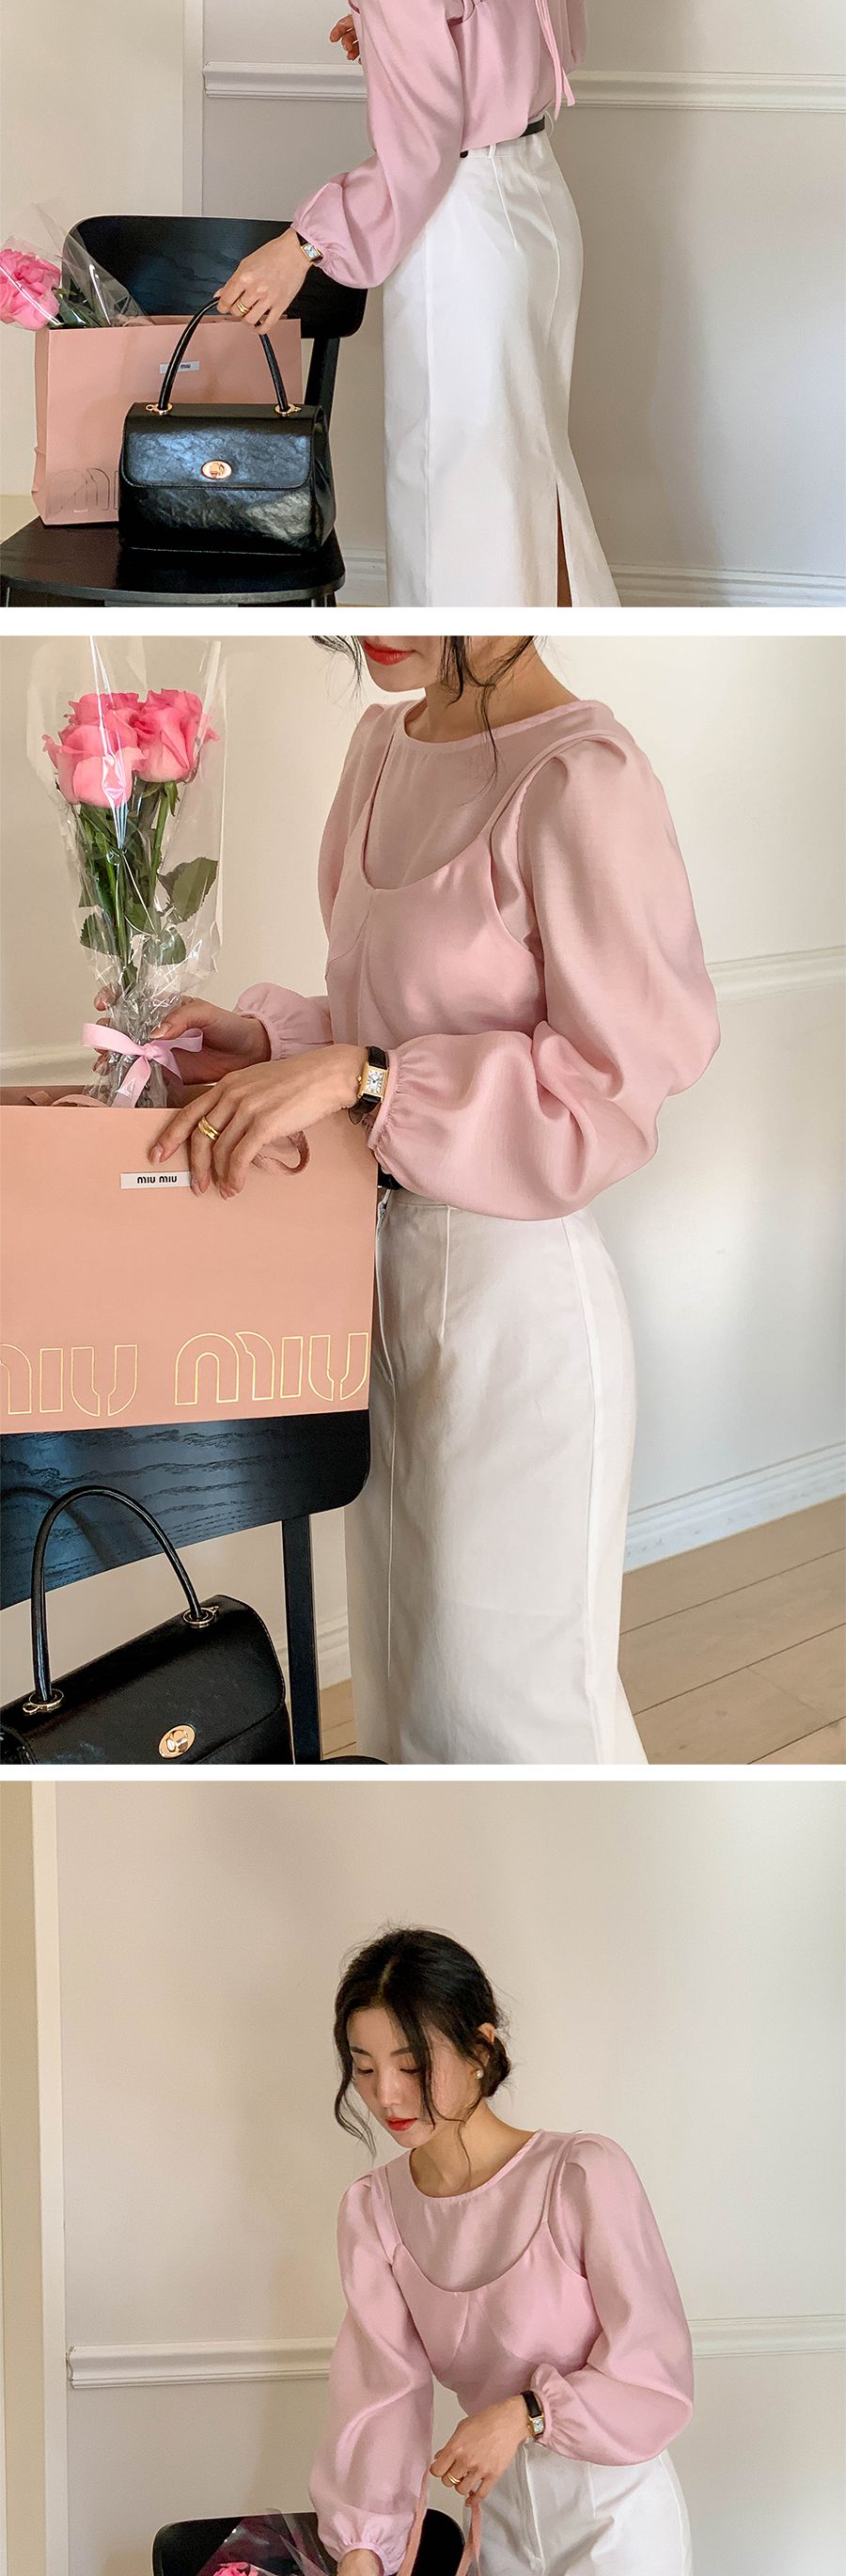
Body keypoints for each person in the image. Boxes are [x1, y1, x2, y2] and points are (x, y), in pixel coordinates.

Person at [150, 636, 719, 1769]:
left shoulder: (582, 777)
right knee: (412, 1699)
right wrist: (274, 1045)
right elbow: (396, 1024)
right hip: (376, 1285)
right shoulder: (381, 747)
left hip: (515, 1306)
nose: (377, 630)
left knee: (516, 1711)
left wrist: (364, 1076)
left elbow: (610, 1087)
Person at [310, 1924, 697, 2576]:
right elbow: (381, 2390)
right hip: (504, 2533)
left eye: (413, 2062)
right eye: (364, 2065)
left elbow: (655, 2372)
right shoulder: (375, 2211)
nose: (387, 2093)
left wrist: (524, 2412)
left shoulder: (580, 2174)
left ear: (481, 2047)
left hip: (614, 2522)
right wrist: (360, 2551)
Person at [212, 0, 618, 610]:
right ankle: (571, 652)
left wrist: (302, 243)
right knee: (530, 475)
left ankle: (468, 681)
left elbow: (421, 154)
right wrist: (396, 28)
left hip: (464, 232)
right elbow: (556, 42)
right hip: (542, 210)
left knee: (455, 493)